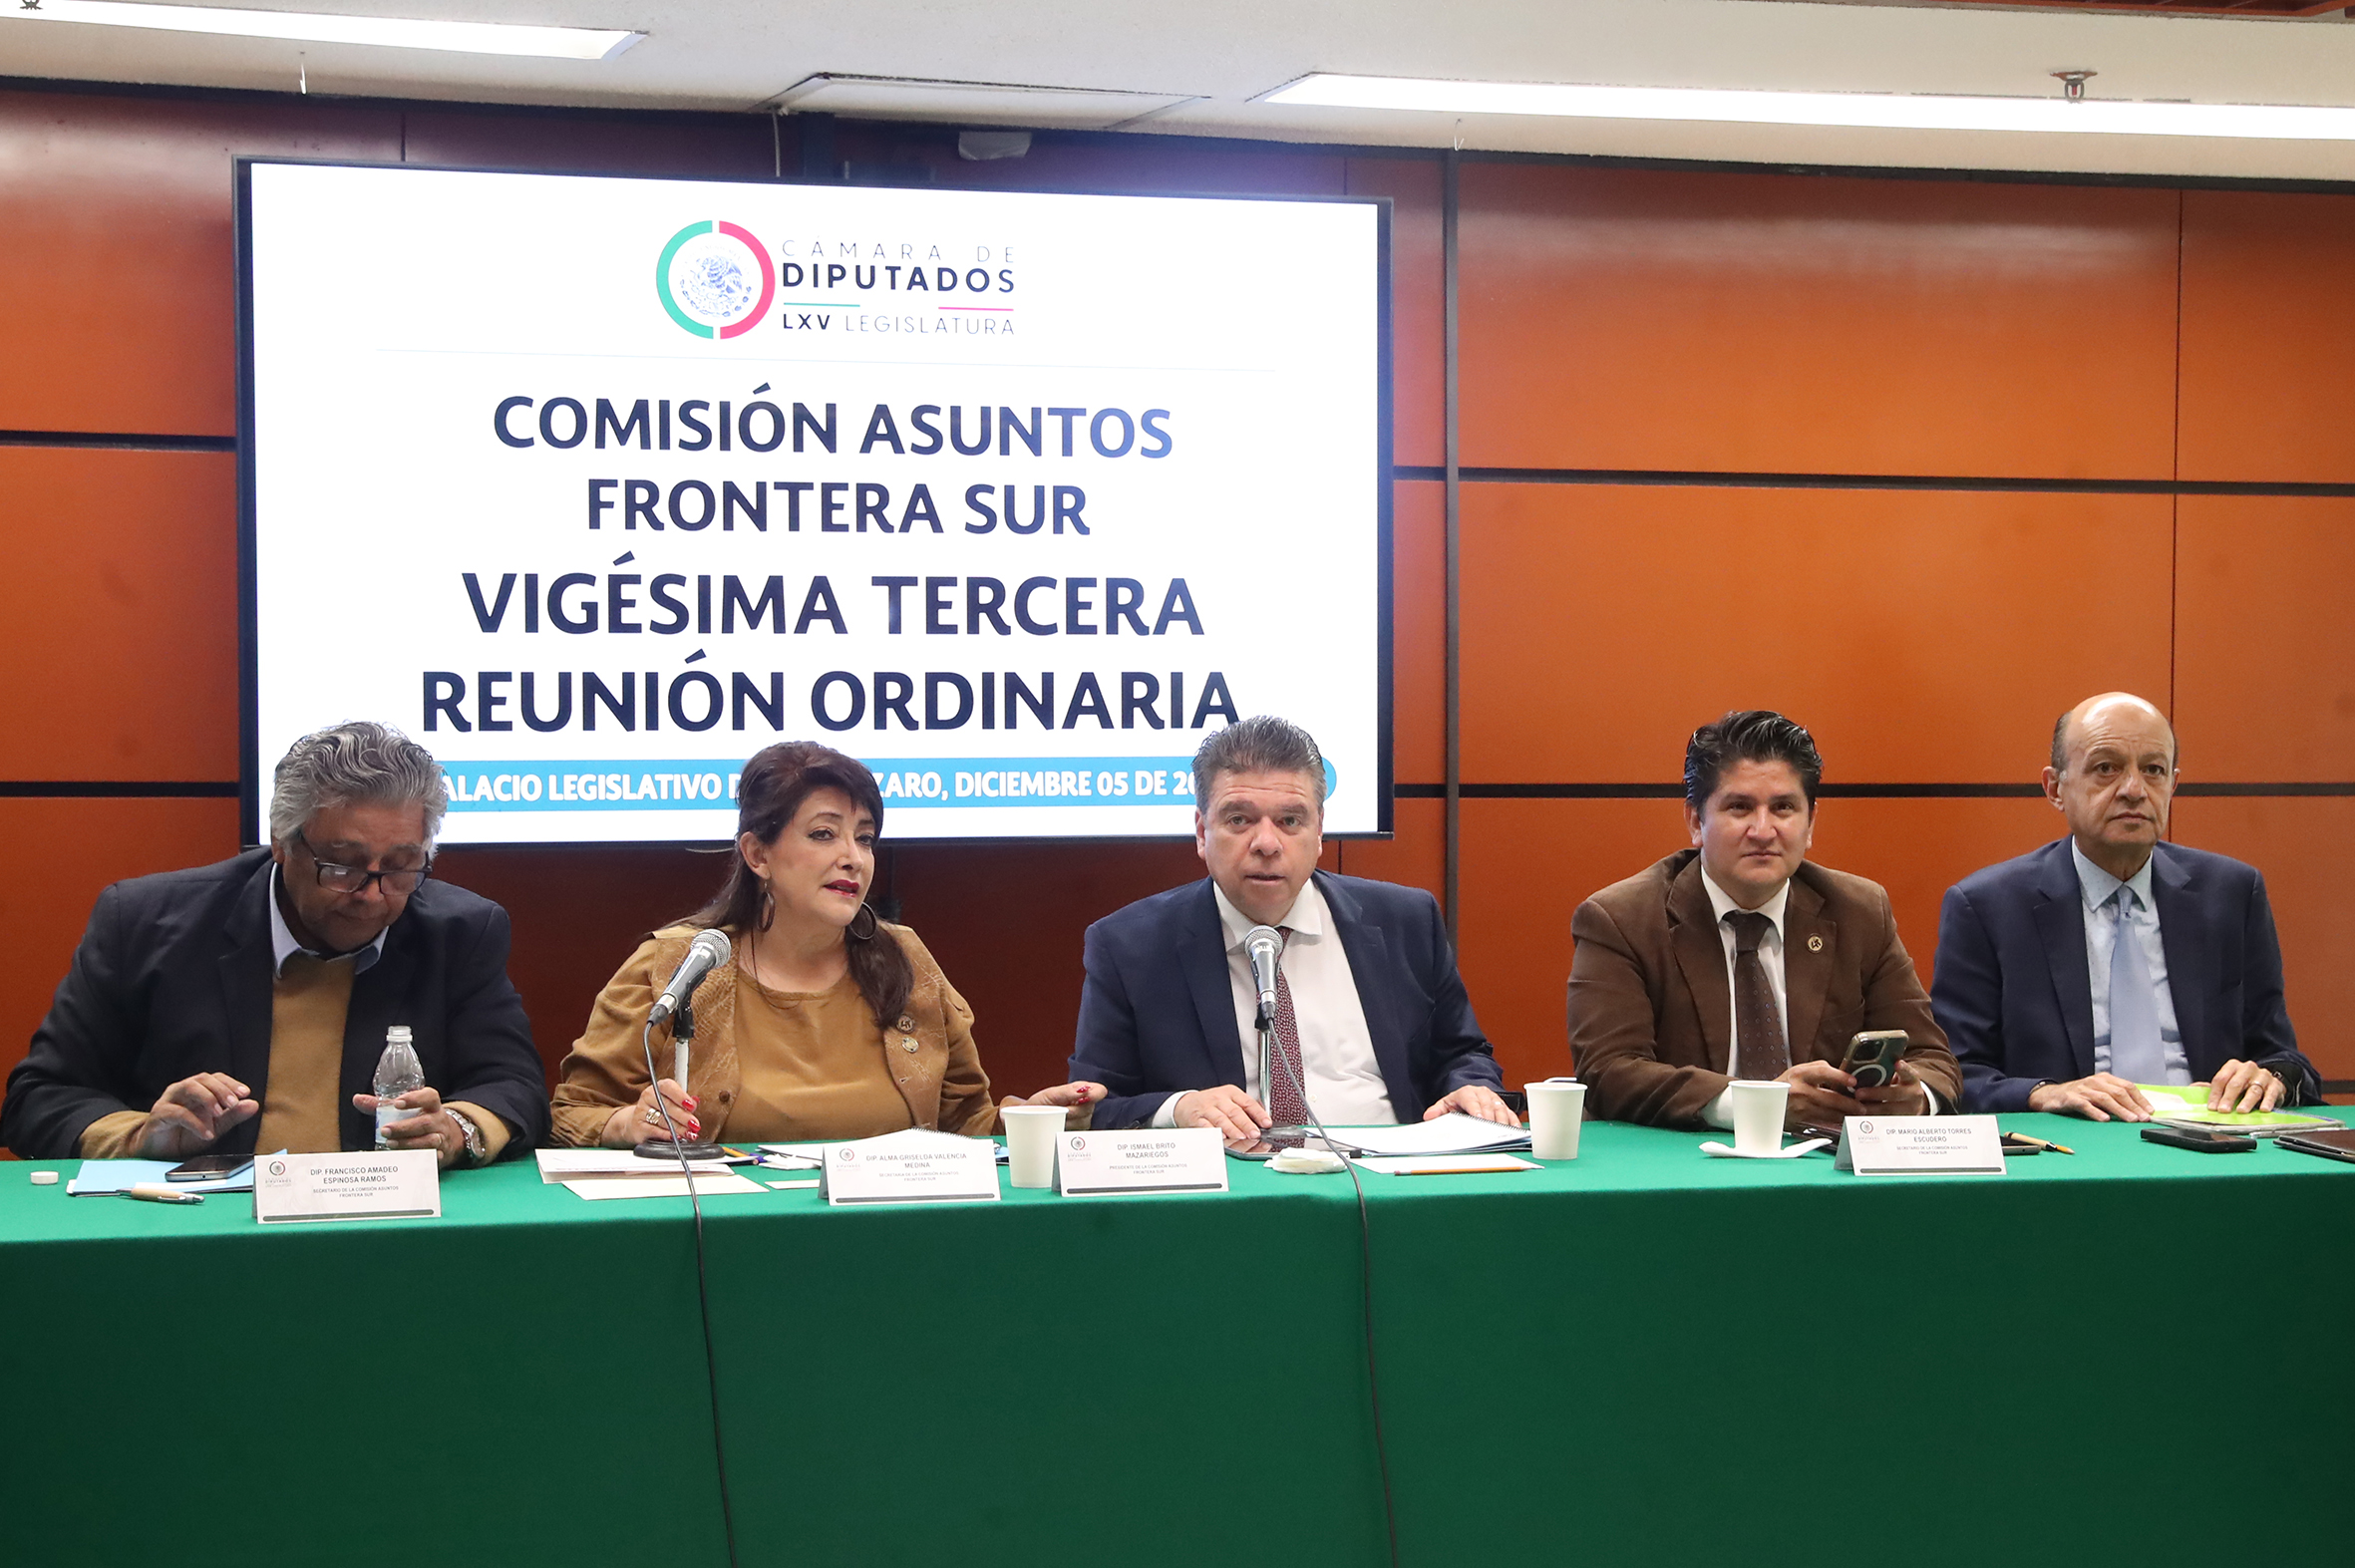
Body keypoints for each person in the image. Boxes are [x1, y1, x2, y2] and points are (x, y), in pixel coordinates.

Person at [1, 721, 546, 1165]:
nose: (372, 894)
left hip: (388, 1230)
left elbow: (515, 1086)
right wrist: (139, 1137)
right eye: (343, 866)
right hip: (197, 1229)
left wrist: (458, 1129)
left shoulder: (460, 931)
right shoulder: (147, 923)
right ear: (282, 843)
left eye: (402, 866)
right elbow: (39, 1098)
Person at [551, 742, 1100, 1145]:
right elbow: (574, 1113)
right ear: (757, 854)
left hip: (891, 1230)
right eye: (823, 834)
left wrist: (1028, 1120)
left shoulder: (905, 958)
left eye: (865, 838)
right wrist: (627, 1124)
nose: (853, 858)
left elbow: (965, 1126)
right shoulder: (679, 964)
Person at [1069, 716, 1514, 1146]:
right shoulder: (1130, 946)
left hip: (1391, 1176)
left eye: (1290, 821)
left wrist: (1469, 1089)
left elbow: (1462, 1054)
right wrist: (1178, 1108)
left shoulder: (1405, 920)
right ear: (1203, 833)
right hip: (1235, 1184)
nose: (1267, 844)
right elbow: (1093, 1109)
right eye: (1239, 820)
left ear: (1319, 831)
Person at [1932, 692, 2319, 1120]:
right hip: (2074, 1143)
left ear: (2172, 785)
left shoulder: (2231, 893)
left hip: (2211, 1137)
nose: (2134, 790)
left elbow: (2283, 1057)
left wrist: (2271, 1078)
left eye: (2153, 770)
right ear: (2055, 788)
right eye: (2106, 768)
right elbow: (1956, 1075)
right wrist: (2045, 1093)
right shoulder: (1987, 907)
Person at [1568, 710, 1959, 1129]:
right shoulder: (1622, 919)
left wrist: (1915, 1099)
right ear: (1696, 821)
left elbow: (1933, 1060)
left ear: (1810, 823)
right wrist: (1761, 1106)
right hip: (1685, 1158)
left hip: (1822, 1158)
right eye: (1740, 807)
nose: (1763, 830)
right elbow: (1609, 1070)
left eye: (1783, 808)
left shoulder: (1859, 911)